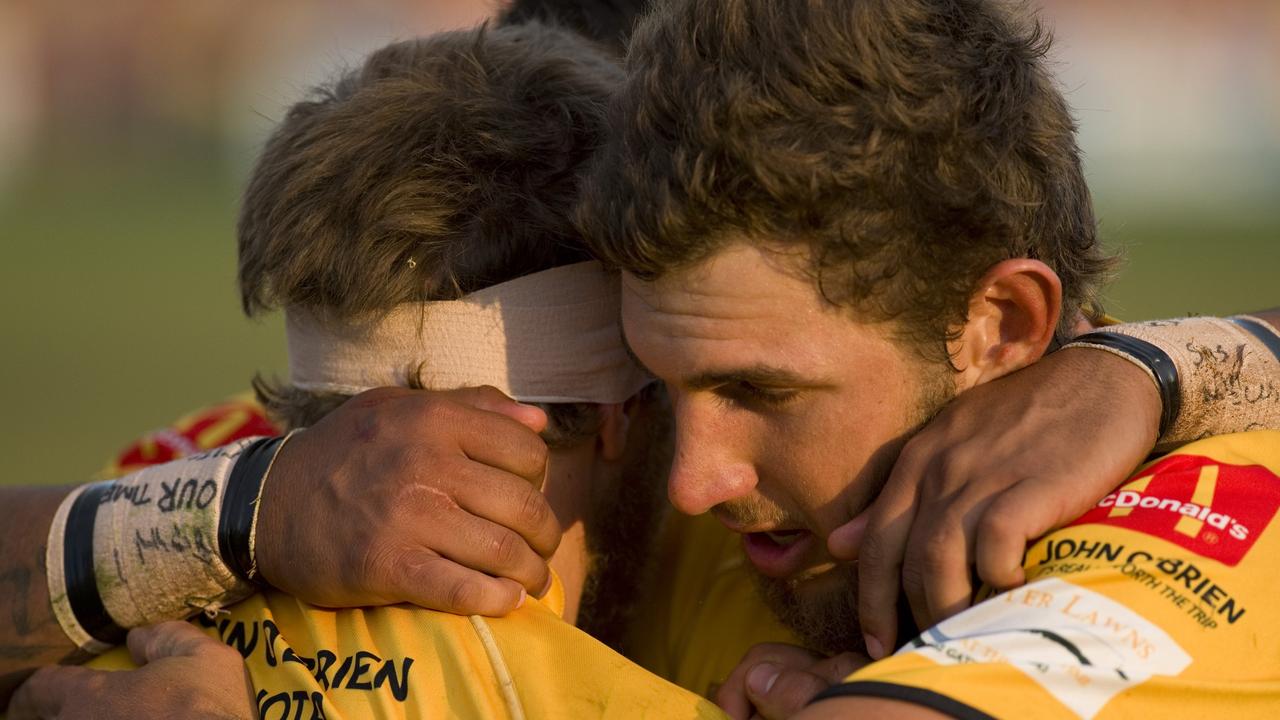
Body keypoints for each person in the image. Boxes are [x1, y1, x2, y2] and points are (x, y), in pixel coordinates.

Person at [574, 0, 1280, 717]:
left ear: (999, 326)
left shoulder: (1203, 538)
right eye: (659, 386)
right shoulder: (746, 518)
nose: (689, 486)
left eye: (760, 391)